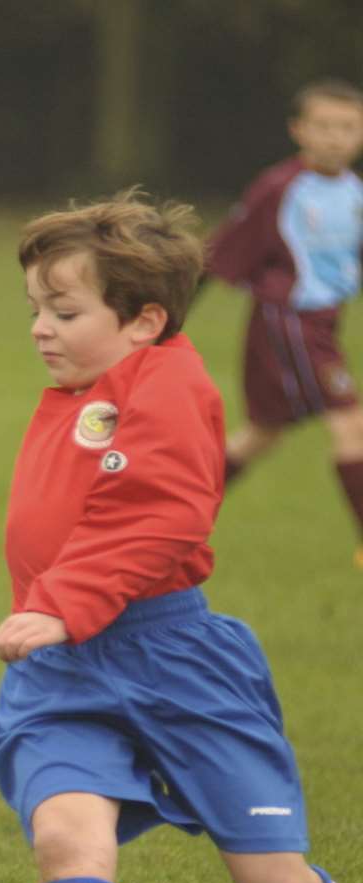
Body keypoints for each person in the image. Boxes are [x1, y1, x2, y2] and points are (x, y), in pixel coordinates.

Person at [0, 192, 363, 883]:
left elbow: (165, 519)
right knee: (68, 838)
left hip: (176, 661)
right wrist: (61, 616)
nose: (41, 328)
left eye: (64, 311)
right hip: (66, 668)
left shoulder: (173, 385)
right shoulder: (88, 387)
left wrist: (63, 599)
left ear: (145, 319)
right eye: (36, 308)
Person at [206, 79, 363, 568]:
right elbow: (220, 252)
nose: (336, 137)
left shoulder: (356, 191)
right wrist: (168, 318)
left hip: (324, 322)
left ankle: (167, 517)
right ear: (299, 130)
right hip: (289, 319)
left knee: (262, 433)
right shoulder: (280, 187)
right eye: (324, 126)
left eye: (348, 127)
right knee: (351, 422)